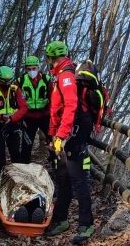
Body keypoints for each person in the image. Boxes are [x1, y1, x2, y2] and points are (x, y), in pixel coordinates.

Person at [43, 41, 94, 244]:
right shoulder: (61, 75)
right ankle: (60, 219)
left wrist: (62, 136)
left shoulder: (65, 76)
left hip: (73, 137)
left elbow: (71, 106)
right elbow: (57, 110)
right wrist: (52, 135)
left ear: (51, 58)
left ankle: (86, 224)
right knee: (63, 178)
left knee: (79, 181)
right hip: (64, 136)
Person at [0, 65, 29, 174]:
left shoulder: (16, 89)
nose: (7, 84)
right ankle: (1, 176)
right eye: (4, 82)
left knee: (15, 152)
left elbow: (24, 107)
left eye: (9, 81)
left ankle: (17, 176)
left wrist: (13, 118)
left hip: (13, 124)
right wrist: (0, 117)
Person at [17, 55, 52, 163]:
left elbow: (53, 97)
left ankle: (56, 162)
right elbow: (16, 99)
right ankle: (24, 166)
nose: (32, 71)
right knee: (27, 144)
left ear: (38, 68)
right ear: (26, 69)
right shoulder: (21, 81)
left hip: (45, 115)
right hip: (29, 117)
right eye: (29, 69)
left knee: (52, 140)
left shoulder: (46, 79)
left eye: (34, 68)